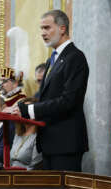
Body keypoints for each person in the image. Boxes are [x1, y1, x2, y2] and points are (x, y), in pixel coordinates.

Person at [13, 10, 89, 172]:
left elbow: (69, 101)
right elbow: (43, 96)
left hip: (66, 143)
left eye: (47, 28)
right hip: (49, 141)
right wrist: (17, 108)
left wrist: (29, 110)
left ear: (62, 28)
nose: (43, 33)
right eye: (41, 29)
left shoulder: (75, 57)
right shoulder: (52, 59)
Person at [10, 97, 42, 170]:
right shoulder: (18, 134)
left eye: (26, 109)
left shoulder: (38, 136)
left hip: (26, 178)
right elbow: (11, 161)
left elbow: (35, 166)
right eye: (21, 110)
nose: (23, 112)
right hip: (11, 175)